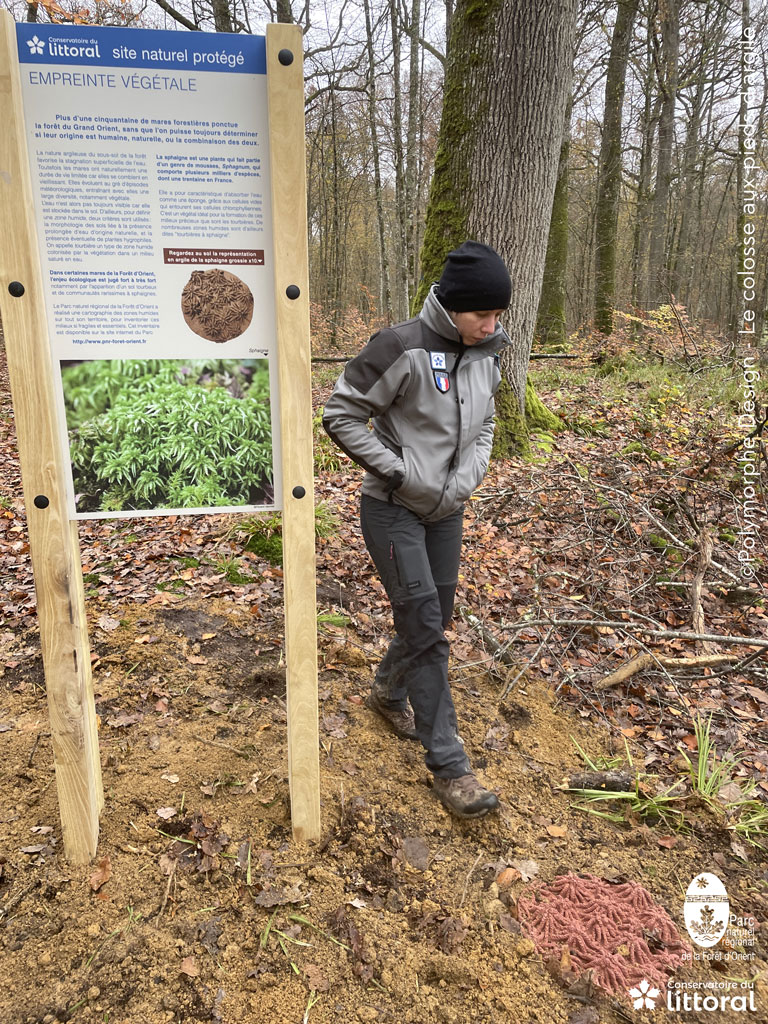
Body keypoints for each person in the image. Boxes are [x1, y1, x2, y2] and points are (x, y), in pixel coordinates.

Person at [322, 240, 511, 819]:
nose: (492, 324)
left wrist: (463, 482)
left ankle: (388, 691)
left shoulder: (486, 354)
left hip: (447, 511)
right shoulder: (399, 346)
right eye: (483, 313)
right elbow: (341, 413)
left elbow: (486, 425)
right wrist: (399, 472)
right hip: (393, 509)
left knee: (434, 615)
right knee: (427, 629)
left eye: (498, 313)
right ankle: (451, 768)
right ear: (452, 306)